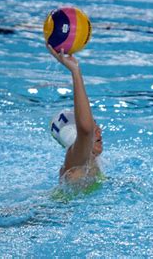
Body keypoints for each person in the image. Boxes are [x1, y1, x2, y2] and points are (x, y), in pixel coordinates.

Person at [47, 44, 104, 192]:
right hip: (55, 214)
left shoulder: (90, 159)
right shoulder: (76, 160)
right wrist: (75, 71)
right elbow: (85, 130)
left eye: (96, 124)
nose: (99, 130)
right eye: (94, 125)